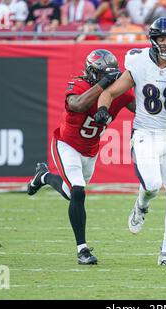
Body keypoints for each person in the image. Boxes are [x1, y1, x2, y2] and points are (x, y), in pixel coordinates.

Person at [96, 17, 166, 266]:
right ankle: (141, 205)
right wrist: (103, 110)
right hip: (145, 134)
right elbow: (111, 91)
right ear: (154, 40)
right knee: (151, 185)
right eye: (162, 38)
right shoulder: (138, 61)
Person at [27, 49, 135, 265]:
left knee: (71, 193)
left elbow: (141, 109)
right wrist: (103, 84)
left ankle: (43, 176)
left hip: (90, 151)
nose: (106, 78)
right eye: (102, 74)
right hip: (66, 144)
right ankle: (82, 250)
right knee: (77, 190)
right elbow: (77, 104)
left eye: (109, 74)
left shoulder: (118, 92)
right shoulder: (79, 85)